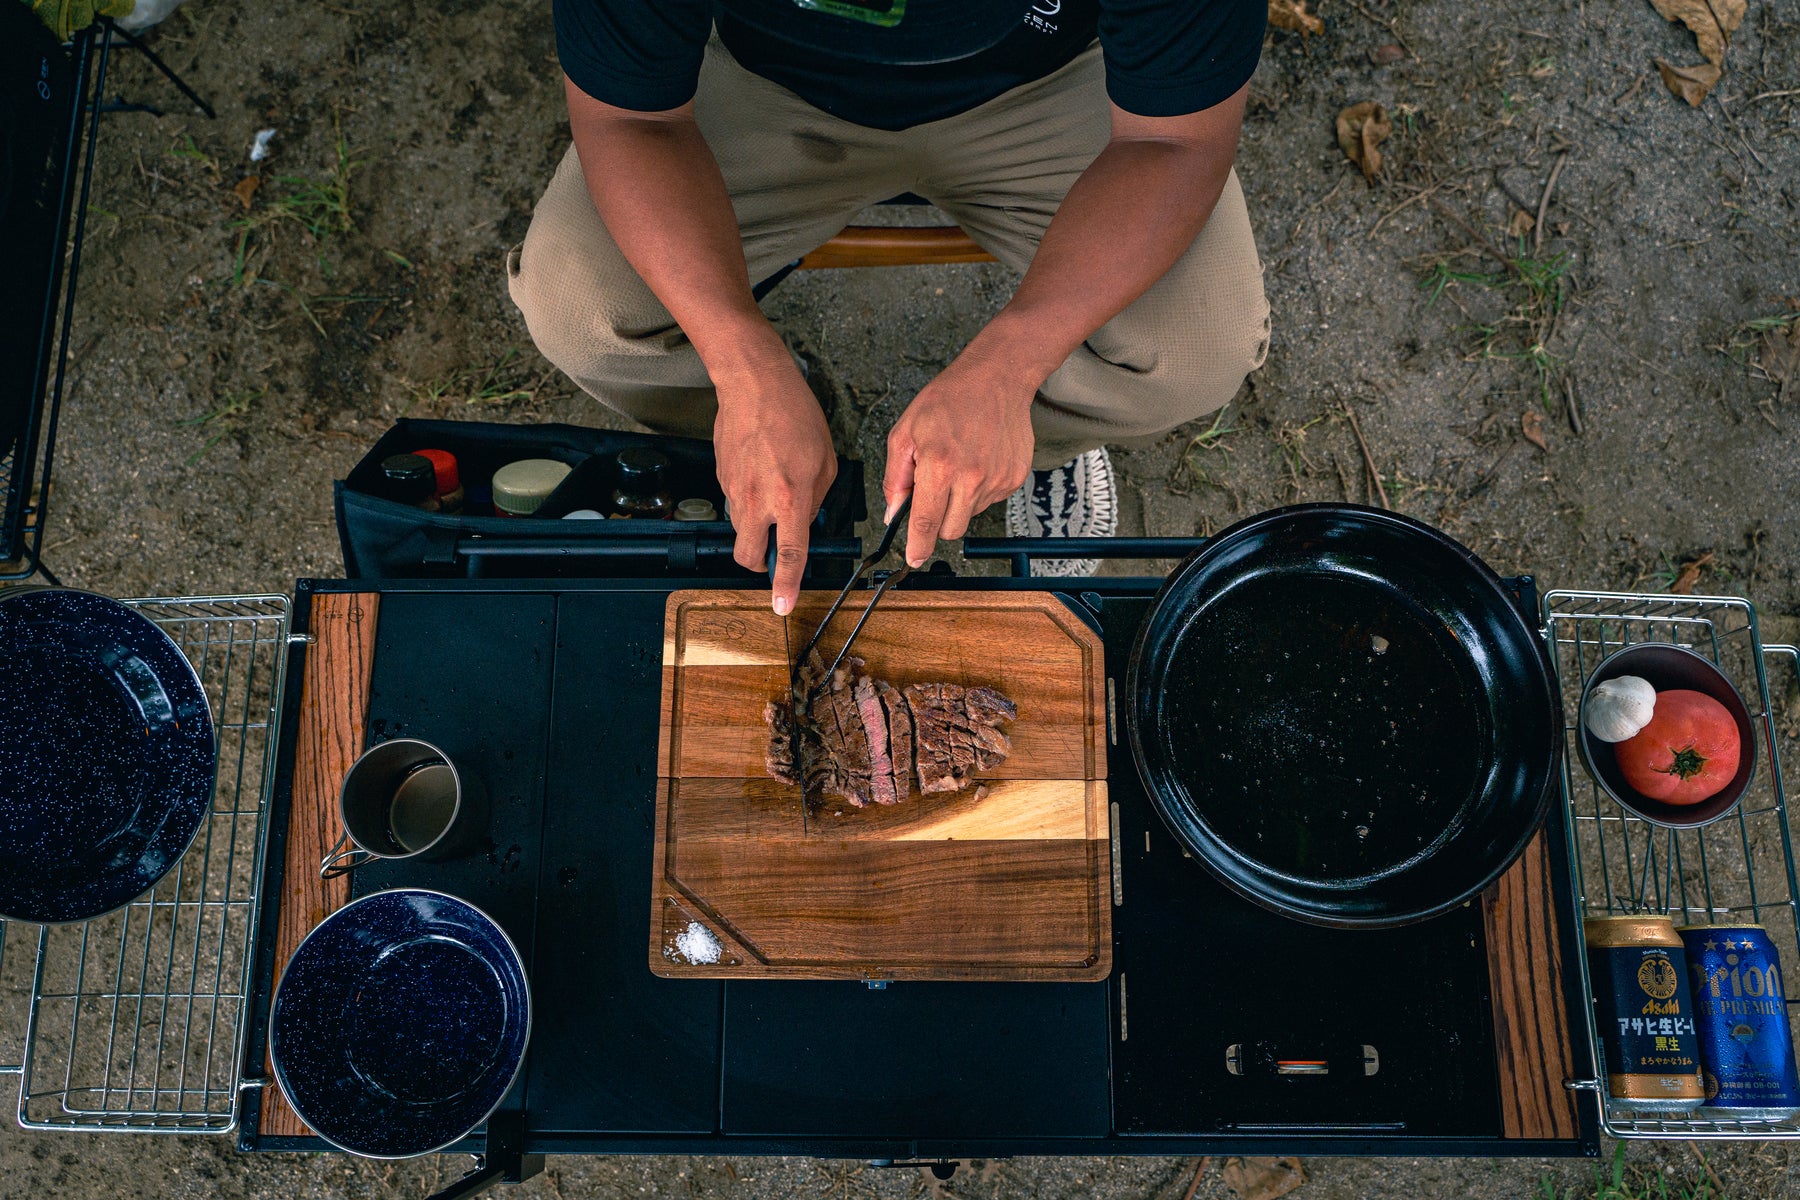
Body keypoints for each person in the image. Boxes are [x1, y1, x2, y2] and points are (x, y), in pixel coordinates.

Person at [509, 0, 1271, 609]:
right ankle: (765, 429)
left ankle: (1019, 444)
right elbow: (631, 120)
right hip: (759, 84)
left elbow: (1175, 144)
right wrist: (741, 359)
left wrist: (1010, 366)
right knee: (584, 305)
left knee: (1195, 340)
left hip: (1053, 83)